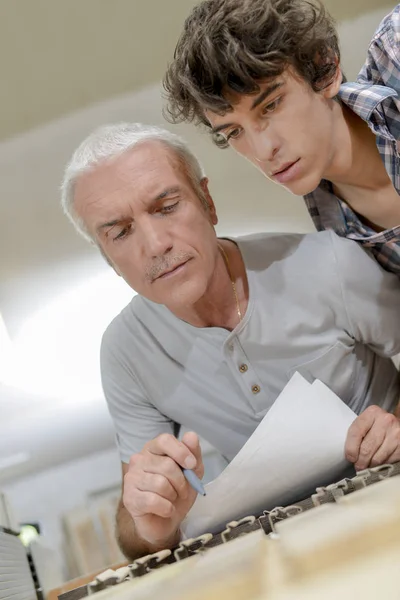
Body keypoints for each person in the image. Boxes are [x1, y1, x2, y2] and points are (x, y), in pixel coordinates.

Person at [61, 122, 400, 560]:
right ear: (109, 259)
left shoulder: (326, 263)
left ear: (208, 201)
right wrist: (151, 520)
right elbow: (135, 533)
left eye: (166, 206)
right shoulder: (125, 352)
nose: (155, 244)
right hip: (297, 551)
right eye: (120, 232)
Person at [163, 0, 400, 275]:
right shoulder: (341, 250)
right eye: (234, 132)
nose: (264, 151)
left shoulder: (395, 48)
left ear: (326, 67)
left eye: (271, 105)